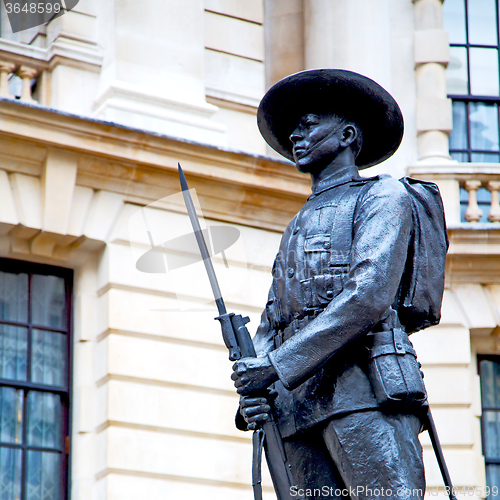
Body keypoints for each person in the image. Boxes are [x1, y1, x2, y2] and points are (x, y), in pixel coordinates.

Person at [230, 69, 430, 500]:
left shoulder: (381, 197)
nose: (296, 136)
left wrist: (275, 366)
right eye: (293, 130)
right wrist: (255, 384)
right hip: (294, 410)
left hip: (362, 393)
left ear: (347, 135)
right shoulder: (296, 224)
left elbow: (368, 296)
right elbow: (275, 316)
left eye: (308, 124)